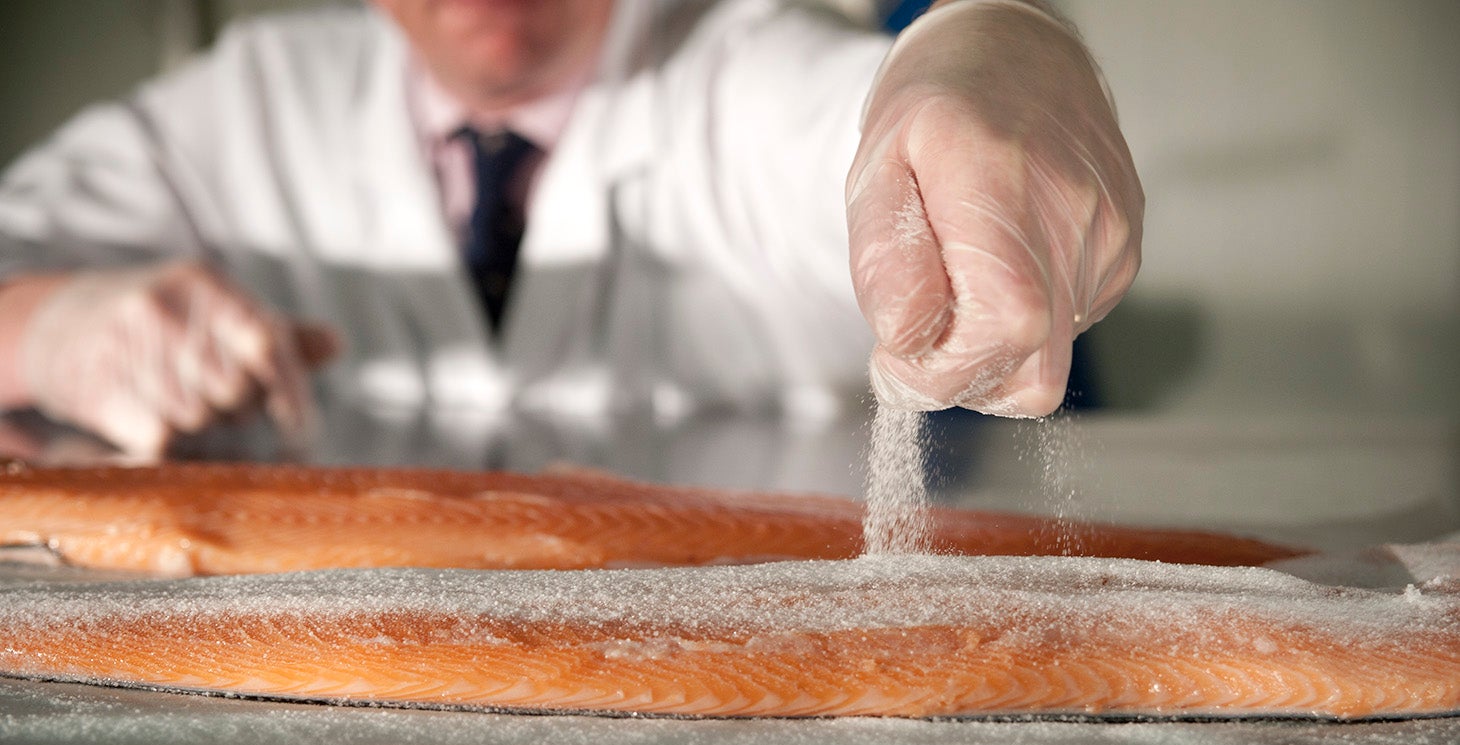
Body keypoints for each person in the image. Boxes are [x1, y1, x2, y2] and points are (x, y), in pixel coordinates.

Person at [0, 0, 1142, 458]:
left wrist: (980, 45)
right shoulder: (244, 104)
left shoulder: (733, 69)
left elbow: (870, 122)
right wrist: (41, 327)